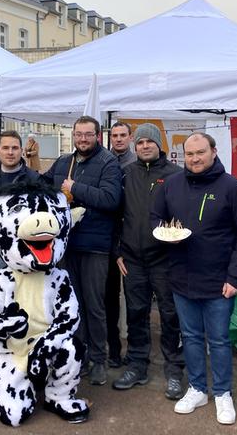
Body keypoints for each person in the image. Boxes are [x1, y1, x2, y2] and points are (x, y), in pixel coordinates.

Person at [151, 132, 237, 425]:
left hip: (220, 280)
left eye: (200, 153)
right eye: (189, 154)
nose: (195, 159)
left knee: (219, 340)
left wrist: (236, 277)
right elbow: (155, 218)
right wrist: (164, 233)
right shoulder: (171, 185)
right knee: (191, 337)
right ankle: (197, 388)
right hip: (182, 276)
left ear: (213, 151)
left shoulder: (233, 188)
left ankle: (222, 392)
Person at [42, 115, 122, 386]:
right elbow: (42, 184)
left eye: (88, 134)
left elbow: (111, 200)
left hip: (95, 247)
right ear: (73, 135)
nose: (83, 139)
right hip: (66, 245)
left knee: (94, 305)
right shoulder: (64, 161)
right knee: (73, 306)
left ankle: (99, 359)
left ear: (98, 136)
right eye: (79, 134)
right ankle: (81, 354)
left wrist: (76, 188)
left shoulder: (108, 162)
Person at [112, 123, 185, 399]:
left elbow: (184, 215)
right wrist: (116, 251)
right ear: (135, 145)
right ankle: (136, 365)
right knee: (136, 314)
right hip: (132, 259)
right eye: (140, 142)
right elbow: (115, 216)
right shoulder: (125, 174)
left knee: (170, 315)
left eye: (149, 142)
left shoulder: (176, 175)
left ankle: (174, 370)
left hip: (165, 260)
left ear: (159, 145)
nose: (144, 146)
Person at [0, 130, 40, 274]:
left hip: (24, 252)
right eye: (6, 148)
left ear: (21, 151)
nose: (10, 152)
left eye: (15, 148)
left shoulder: (33, 178)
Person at [106, 121, 137, 367]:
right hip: (109, 238)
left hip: (131, 238)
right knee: (111, 298)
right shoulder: (105, 160)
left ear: (130, 137)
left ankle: (135, 351)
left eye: (122, 135)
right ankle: (114, 349)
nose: (118, 139)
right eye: (114, 135)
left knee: (134, 300)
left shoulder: (135, 164)